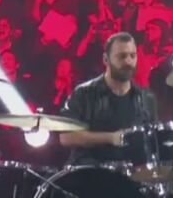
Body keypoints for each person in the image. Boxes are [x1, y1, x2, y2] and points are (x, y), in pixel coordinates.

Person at [60, 32, 158, 164]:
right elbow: (66, 137)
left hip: (132, 173)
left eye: (132, 56)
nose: (128, 61)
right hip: (89, 171)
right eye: (122, 56)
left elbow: (153, 141)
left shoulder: (146, 98)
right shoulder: (84, 93)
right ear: (106, 59)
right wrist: (111, 138)